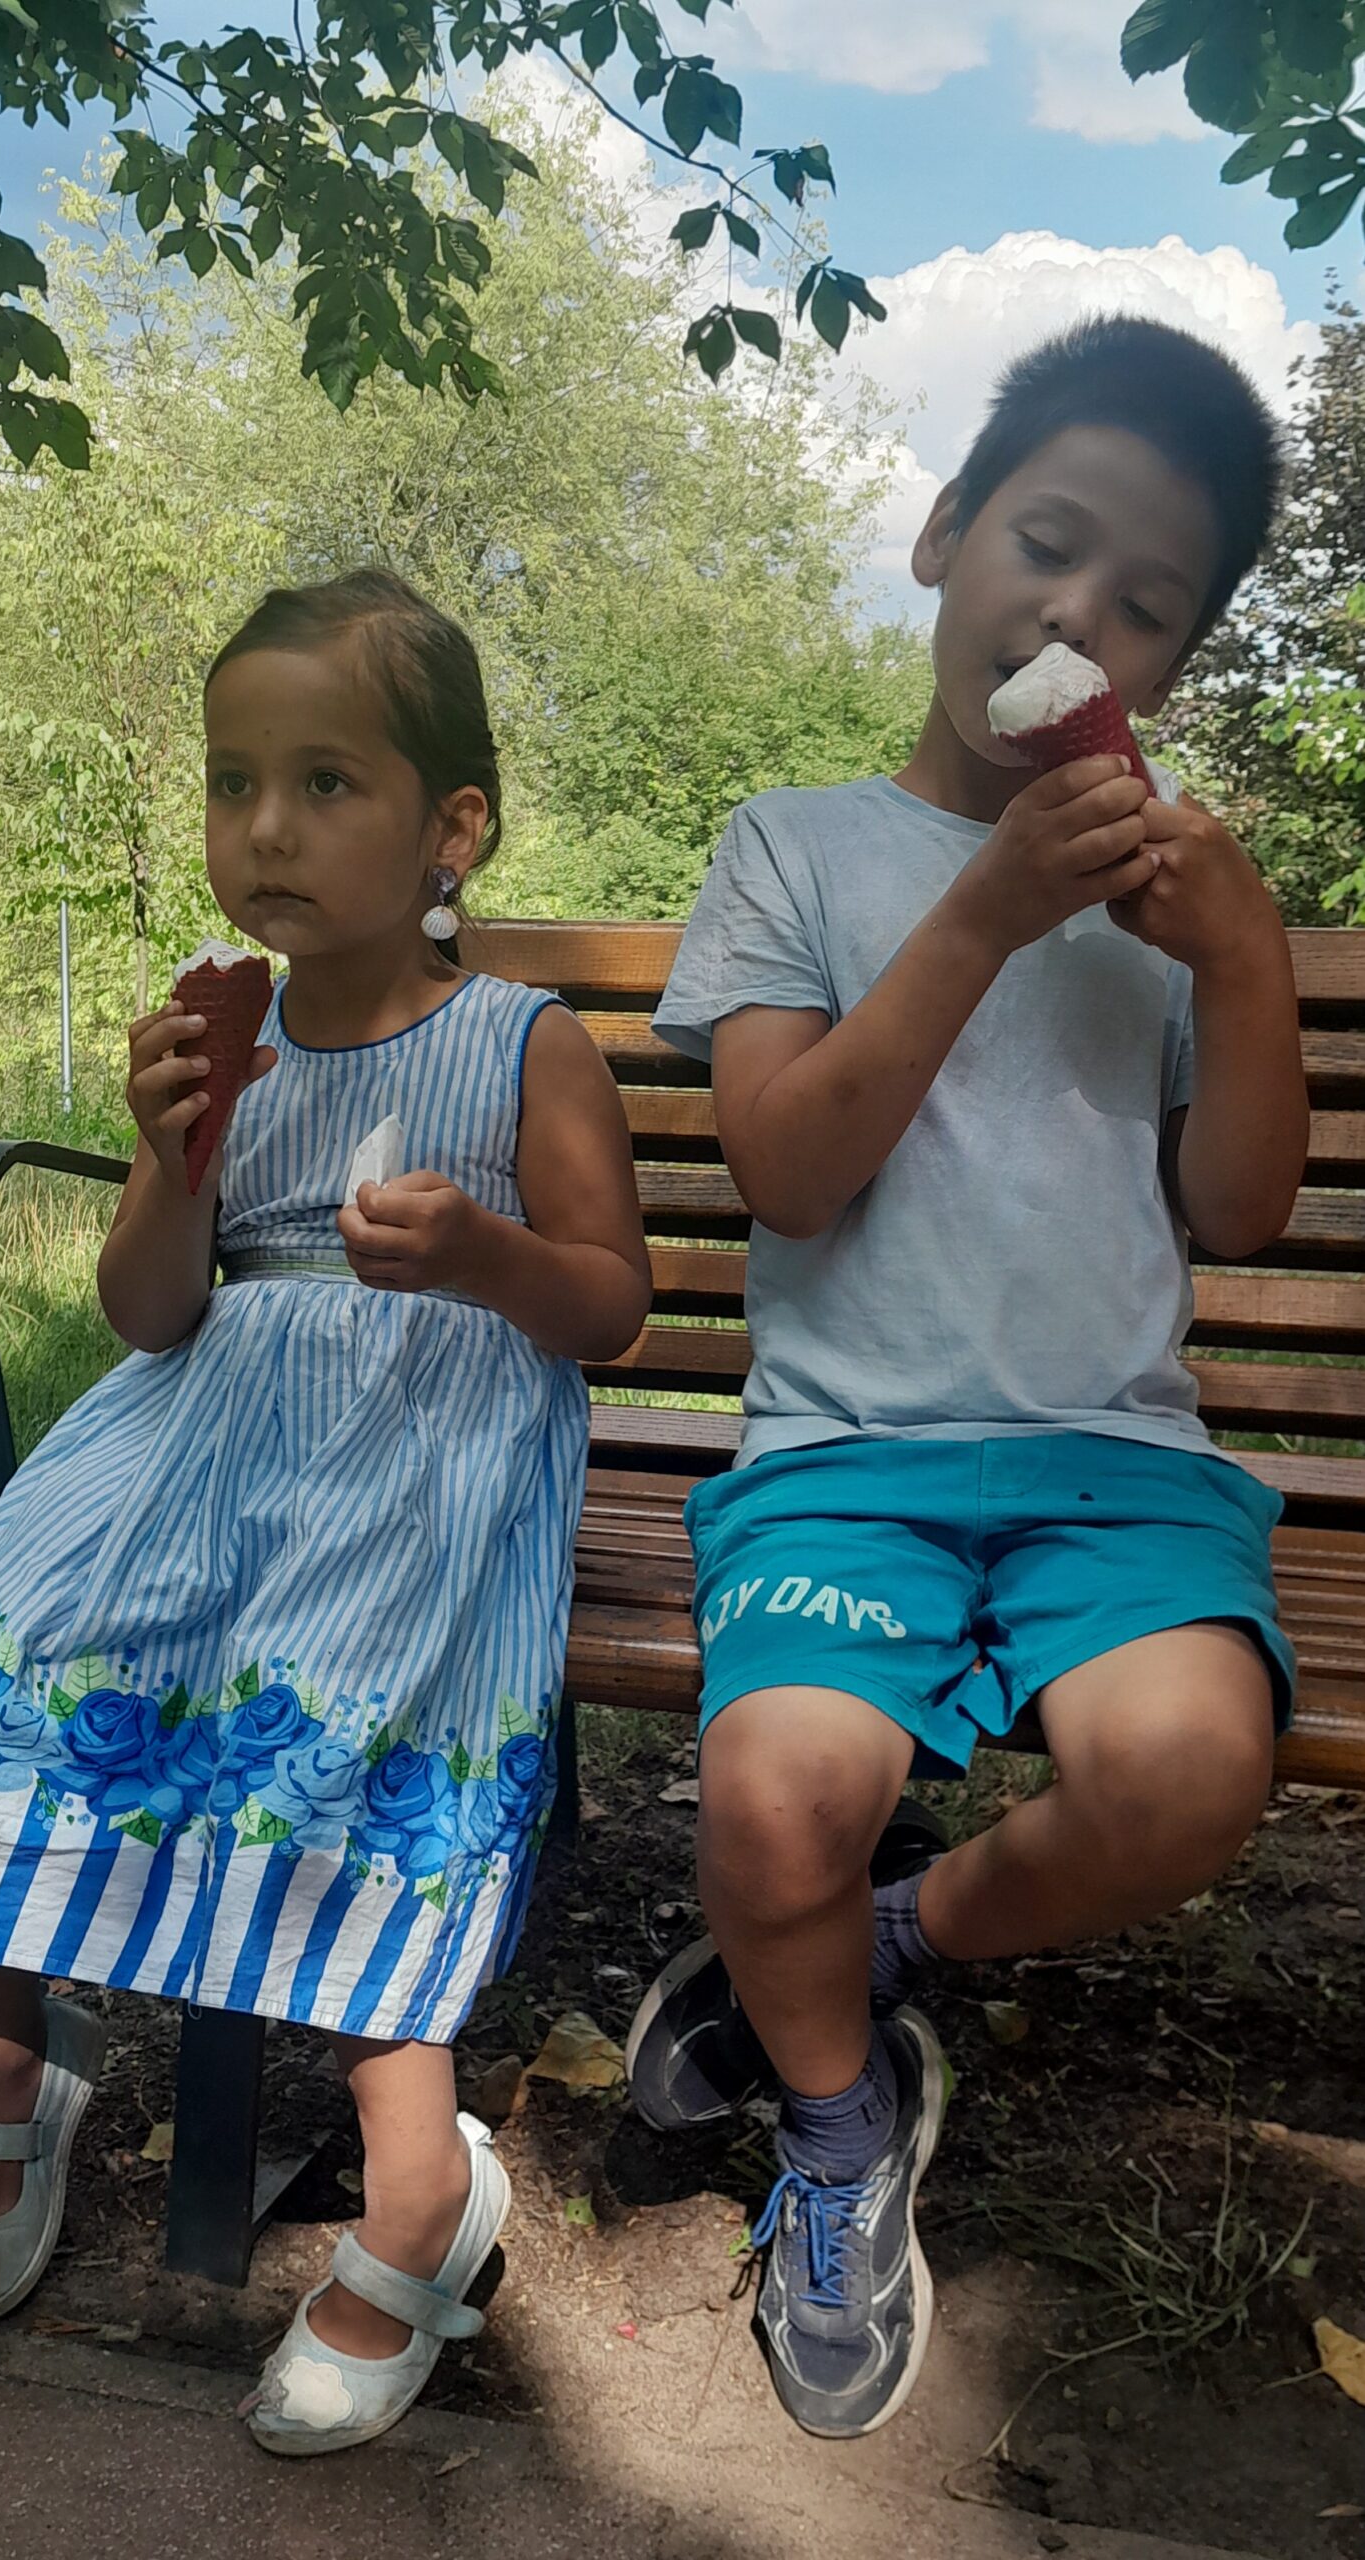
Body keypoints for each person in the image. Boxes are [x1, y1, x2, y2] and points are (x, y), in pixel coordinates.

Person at [624, 317, 1305, 2440]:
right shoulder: (794, 846)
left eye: (1145, 603)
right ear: (941, 537)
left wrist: (1247, 962)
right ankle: (840, 2132)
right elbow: (789, 1168)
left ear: (1174, 664)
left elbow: (1243, 1206)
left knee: (1188, 1776)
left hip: (1114, 1459)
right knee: (770, 1801)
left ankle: (888, 1940)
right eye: (1045, 542)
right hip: (848, 1457)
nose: (1078, 615)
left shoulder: (1174, 899)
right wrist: (985, 916)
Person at [0, 568, 651, 2454]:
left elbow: (612, 1306)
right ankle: (10, 2088)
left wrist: (485, 1253)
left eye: (326, 782)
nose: (265, 828)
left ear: (451, 828)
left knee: (335, 1732)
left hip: (421, 1458)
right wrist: (172, 1153)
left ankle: (420, 2194)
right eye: (234, 782)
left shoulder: (523, 1043)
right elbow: (153, 1314)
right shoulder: (214, 1036)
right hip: (199, 1446)